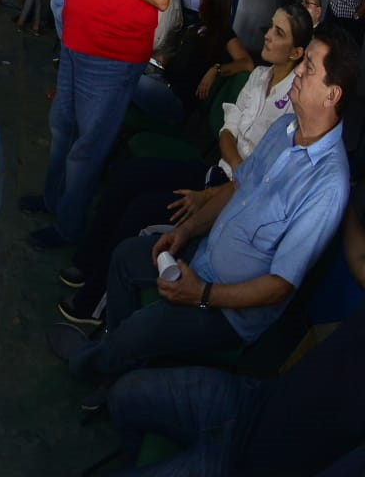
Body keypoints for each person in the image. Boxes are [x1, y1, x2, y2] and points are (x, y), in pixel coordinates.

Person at [50, 24, 356, 388]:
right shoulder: (286, 128)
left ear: (332, 94)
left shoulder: (327, 185)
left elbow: (279, 286)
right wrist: (187, 230)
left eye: (309, 67)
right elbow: (236, 187)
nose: (299, 70)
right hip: (203, 256)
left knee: (142, 328)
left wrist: (203, 294)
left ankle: (92, 365)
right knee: (126, 257)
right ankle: (117, 357)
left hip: (228, 311)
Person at [58, 3, 312, 332]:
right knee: (131, 175)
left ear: (296, 52)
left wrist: (217, 190)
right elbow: (228, 128)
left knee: (141, 211)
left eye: (278, 33)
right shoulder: (259, 76)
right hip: (218, 172)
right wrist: (237, 165)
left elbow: (260, 179)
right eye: (270, 27)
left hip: (231, 196)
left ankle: (92, 305)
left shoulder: (294, 106)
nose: (267, 36)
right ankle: (88, 262)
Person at [106, 195, 365, 476]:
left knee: (136, 338)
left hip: (256, 465)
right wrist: (347, 194)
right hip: (254, 404)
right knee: (125, 394)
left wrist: (202, 294)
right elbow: (359, 258)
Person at [22, 0, 178, 249]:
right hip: (75, 45)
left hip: (112, 57)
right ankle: (54, 201)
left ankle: (68, 226)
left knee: (87, 147)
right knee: (62, 129)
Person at [129, 0, 254, 125]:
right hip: (164, 80)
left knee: (126, 81)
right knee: (124, 69)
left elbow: (247, 63)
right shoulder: (196, 27)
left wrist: (216, 70)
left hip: (178, 98)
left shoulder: (223, 33)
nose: (199, 0)